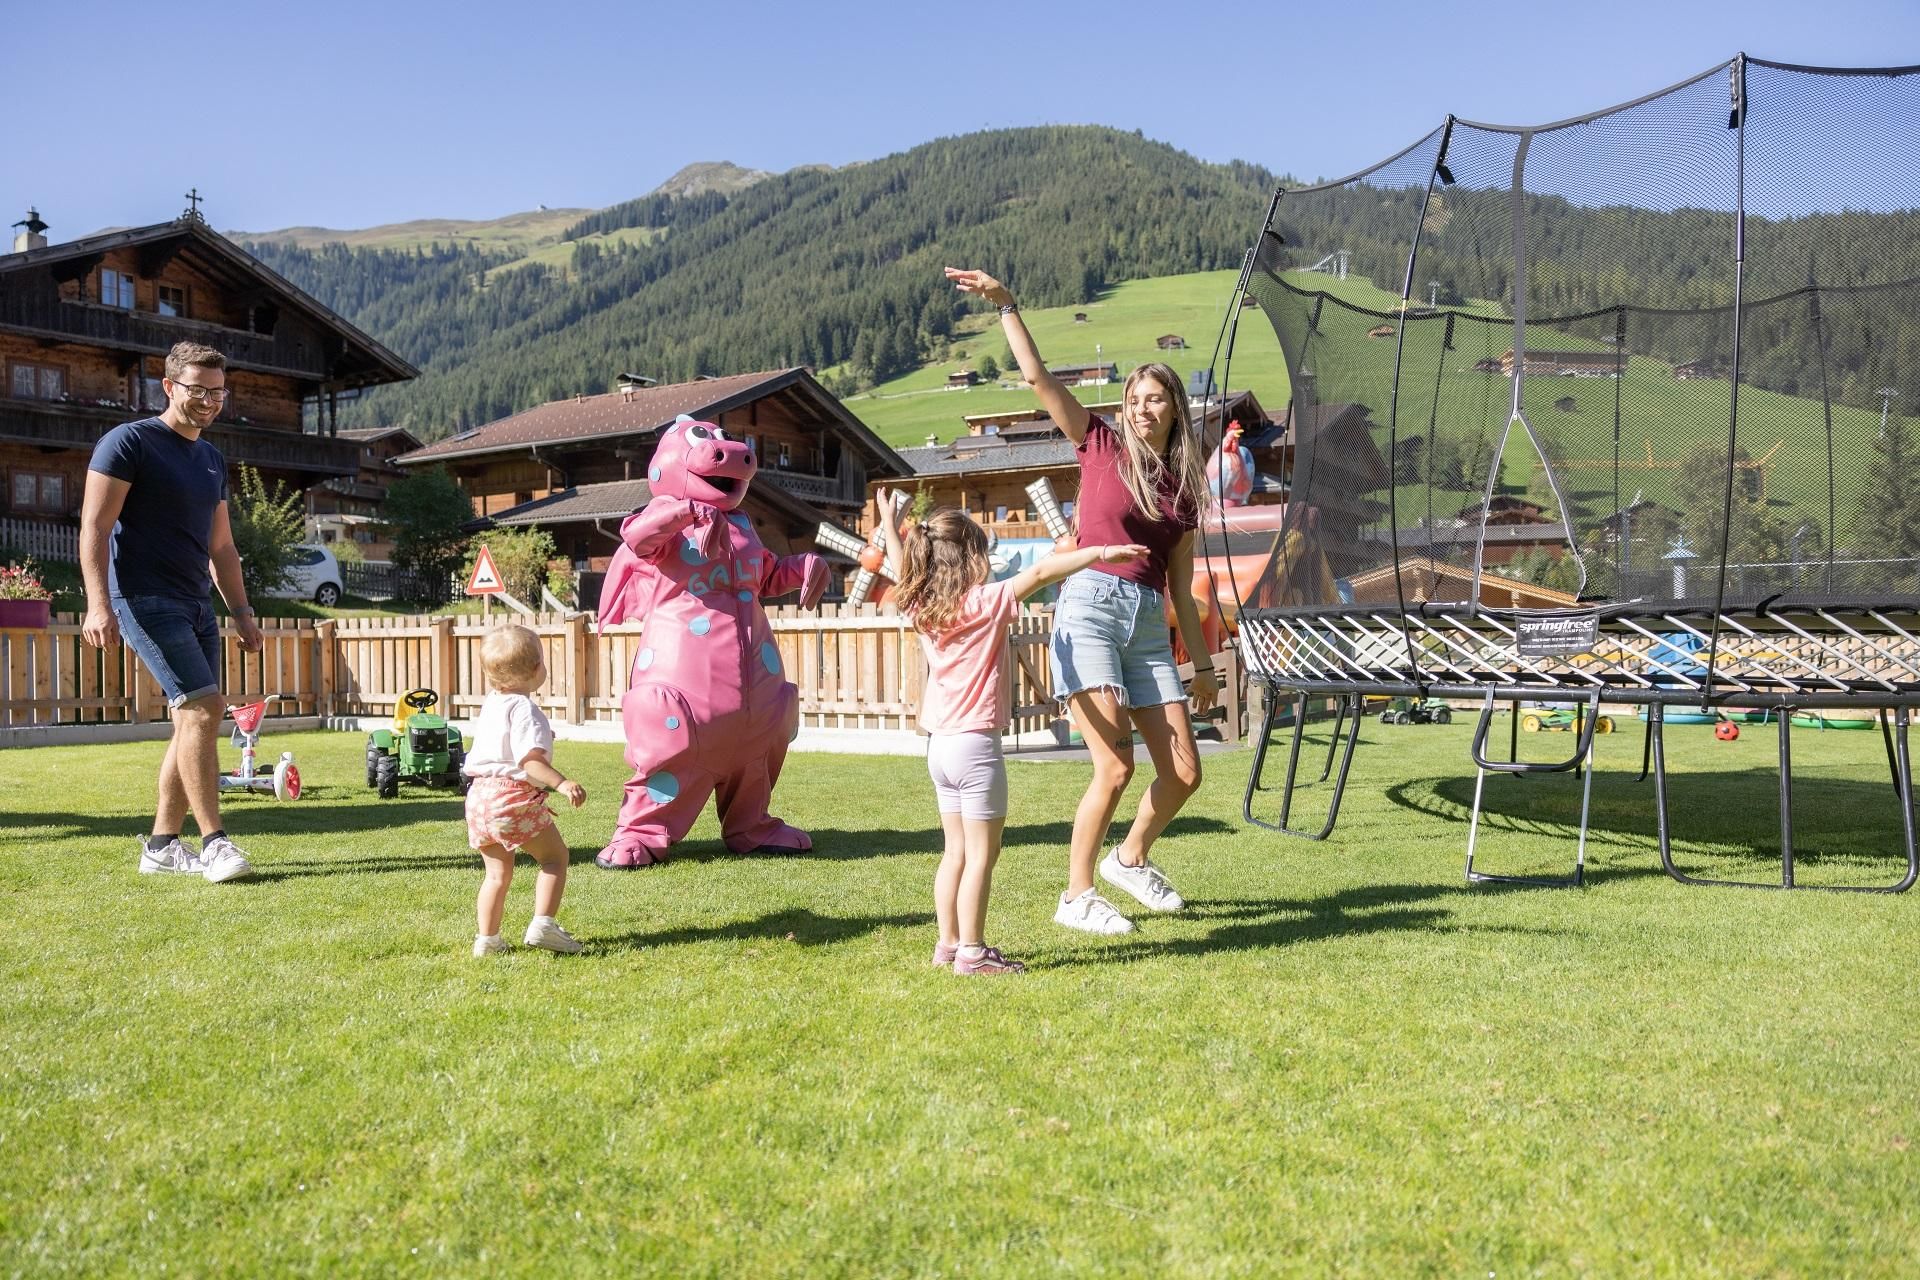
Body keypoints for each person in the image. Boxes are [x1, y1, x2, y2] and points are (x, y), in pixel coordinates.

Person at [945, 267, 1219, 936]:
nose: (1143, 406)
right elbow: (1039, 382)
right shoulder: (1098, 444)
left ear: (1175, 409)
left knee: (1185, 771)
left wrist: (1206, 665)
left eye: (1156, 398)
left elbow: (1182, 588)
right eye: (1135, 396)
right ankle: (1076, 893)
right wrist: (1008, 304)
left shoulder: (1184, 492)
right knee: (1117, 765)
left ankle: (1131, 857)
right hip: (1091, 610)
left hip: (1149, 624)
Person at [877, 487, 1149, 974]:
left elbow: (904, 571)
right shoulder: (984, 601)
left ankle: (947, 945)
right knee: (983, 852)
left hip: (939, 748)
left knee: (955, 851)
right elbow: (1043, 572)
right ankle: (974, 954)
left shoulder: (921, 606)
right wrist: (1104, 552)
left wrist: (889, 523)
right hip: (976, 747)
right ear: (970, 560)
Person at [81, 341, 263, 883]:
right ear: (169, 387)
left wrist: (243, 612)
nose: (209, 400)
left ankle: (161, 846)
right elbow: (95, 526)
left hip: (196, 602)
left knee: (190, 721)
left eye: (218, 391)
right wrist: (96, 603)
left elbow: (223, 547)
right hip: (142, 597)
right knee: (206, 709)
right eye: (197, 390)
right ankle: (215, 842)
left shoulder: (210, 458)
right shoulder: (128, 442)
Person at [465, 625, 588, 956]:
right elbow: (529, 762)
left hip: (479, 798)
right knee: (554, 857)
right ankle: (543, 925)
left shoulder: (493, 703)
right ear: (537, 670)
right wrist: (562, 783)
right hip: (511, 797)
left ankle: (487, 941)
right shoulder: (525, 710)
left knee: (497, 875)